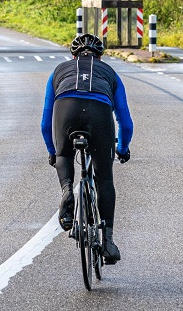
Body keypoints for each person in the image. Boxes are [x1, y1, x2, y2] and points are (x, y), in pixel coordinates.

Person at [41, 33, 133, 264]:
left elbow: (45, 123)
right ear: (100, 57)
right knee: (104, 179)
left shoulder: (59, 71)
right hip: (99, 112)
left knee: (64, 154)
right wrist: (122, 149)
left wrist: (54, 152)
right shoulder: (110, 74)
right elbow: (126, 123)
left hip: (67, 109)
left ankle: (67, 192)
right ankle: (108, 241)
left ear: (72, 56)